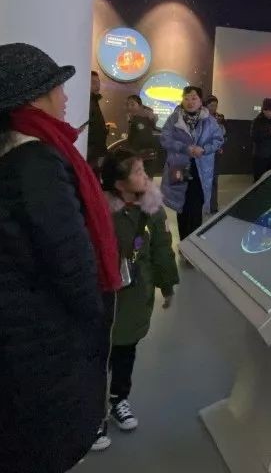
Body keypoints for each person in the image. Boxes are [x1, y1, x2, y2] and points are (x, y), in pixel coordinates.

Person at [0, 43, 121, 473]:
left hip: (2, 319)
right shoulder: (36, 159)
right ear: (34, 96)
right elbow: (67, 256)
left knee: (4, 431)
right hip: (39, 329)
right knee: (36, 440)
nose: (64, 97)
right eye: (57, 87)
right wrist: (94, 315)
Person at [96, 149, 178, 449]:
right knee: (98, 356)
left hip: (135, 295)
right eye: (138, 172)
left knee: (126, 349)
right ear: (119, 184)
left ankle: (119, 399)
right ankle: (92, 415)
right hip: (104, 296)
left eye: (144, 170)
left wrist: (167, 285)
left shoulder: (152, 210)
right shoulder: (101, 212)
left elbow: (162, 250)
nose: (146, 177)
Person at [160, 86, 224, 246]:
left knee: (197, 205)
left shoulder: (209, 120)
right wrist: (185, 148)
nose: (190, 102)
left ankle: (192, 244)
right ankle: (183, 243)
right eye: (186, 98)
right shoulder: (174, 118)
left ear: (201, 101)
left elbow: (218, 139)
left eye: (194, 98)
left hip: (201, 170)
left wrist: (204, 149)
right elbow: (165, 139)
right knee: (181, 205)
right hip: (179, 167)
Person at [125, 95, 159, 177]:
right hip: (142, 155)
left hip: (142, 155)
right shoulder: (134, 119)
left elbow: (143, 138)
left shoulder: (142, 118)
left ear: (140, 105)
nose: (129, 107)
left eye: (132, 104)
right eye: (128, 105)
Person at [251, 98, 271, 181]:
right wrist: (269, 133)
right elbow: (254, 137)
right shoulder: (257, 121)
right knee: (259, 180)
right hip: (261, 156)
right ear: (264, 110)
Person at [205, 95, 226, 213]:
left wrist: (220, 145)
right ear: (206, 105)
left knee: (214, 181)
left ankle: (213, 206)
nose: (213, 108)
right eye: (211, 105)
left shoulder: (219, 118)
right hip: (203, 154)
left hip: (215, 154)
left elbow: (223, 135)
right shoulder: (201, 117)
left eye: (215, 105)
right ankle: (204, 205)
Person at [87, 71, 109, 173]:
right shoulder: (88, 101)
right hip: (91, 153)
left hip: (95, 152)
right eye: (93, 82)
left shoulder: (94, 100)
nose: (97, 85)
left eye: (98, 82)